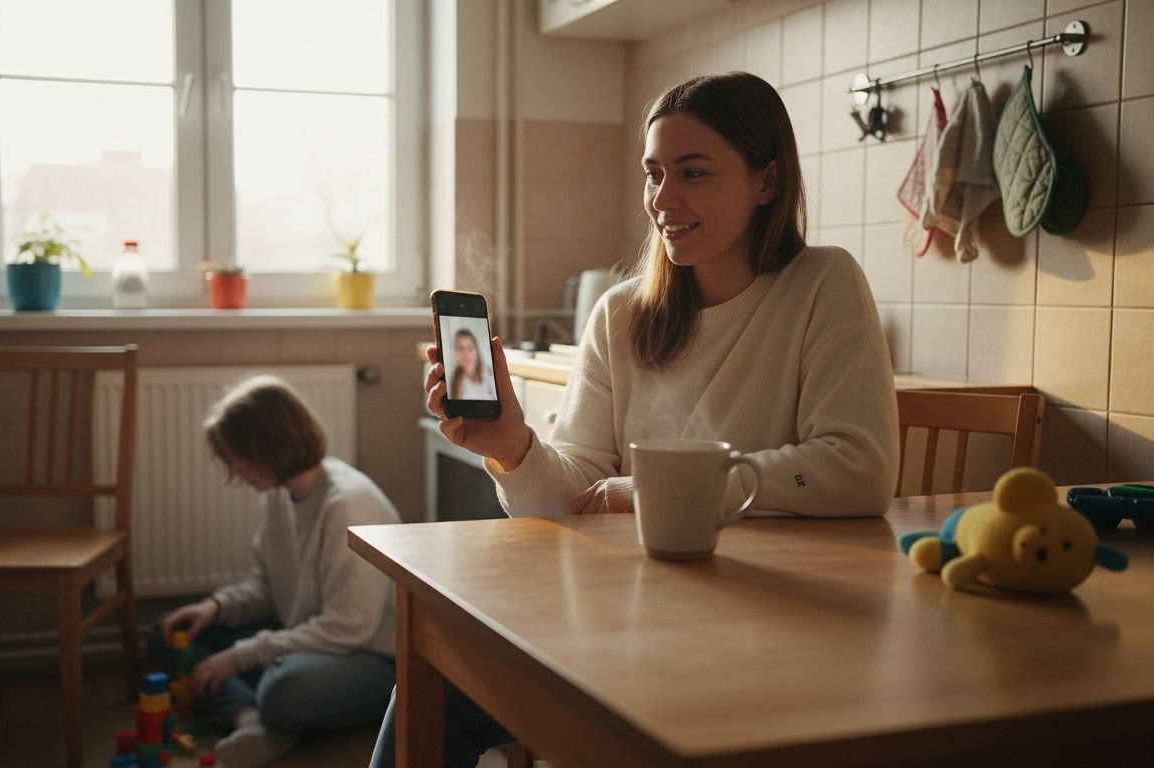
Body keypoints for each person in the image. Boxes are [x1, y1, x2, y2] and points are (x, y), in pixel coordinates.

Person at [371, 71, 899, 766]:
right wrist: (512, 446)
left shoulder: (822, 284)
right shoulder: (620, 314)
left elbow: (857, 470)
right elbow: (574, 499)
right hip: (632, 612)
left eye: (693, 173)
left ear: (767, 181)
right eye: (653, 175)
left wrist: (648, 491)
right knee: (427, 681)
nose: (663, 200)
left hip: (771, 622)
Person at [148, 376, 400, 768]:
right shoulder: (280, 493)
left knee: (285, 689)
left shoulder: (348, 505)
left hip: (368, 658)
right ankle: (253, 718)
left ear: (273, 443)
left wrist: (240, 656)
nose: (236, 470)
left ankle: (260, 708)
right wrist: (216, 608)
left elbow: (348, 627)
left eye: (241, 456)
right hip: (307, 638)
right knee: (168, 632)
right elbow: (268, 588)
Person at [448, 327, 498, 401]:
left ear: (476, 351)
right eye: (461, 348)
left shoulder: (487, 374)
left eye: (470, 348)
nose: (466, 353)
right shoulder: (455, 381)